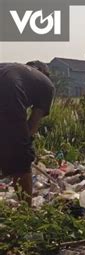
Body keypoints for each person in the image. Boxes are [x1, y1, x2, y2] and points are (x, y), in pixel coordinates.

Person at [0, 61, 55, 206]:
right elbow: (32, 125)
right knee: (20, 155)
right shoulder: (47, 84)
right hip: (8, 91)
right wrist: (25, 148)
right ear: (45, 73)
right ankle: (26, 211)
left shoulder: (15, 69)